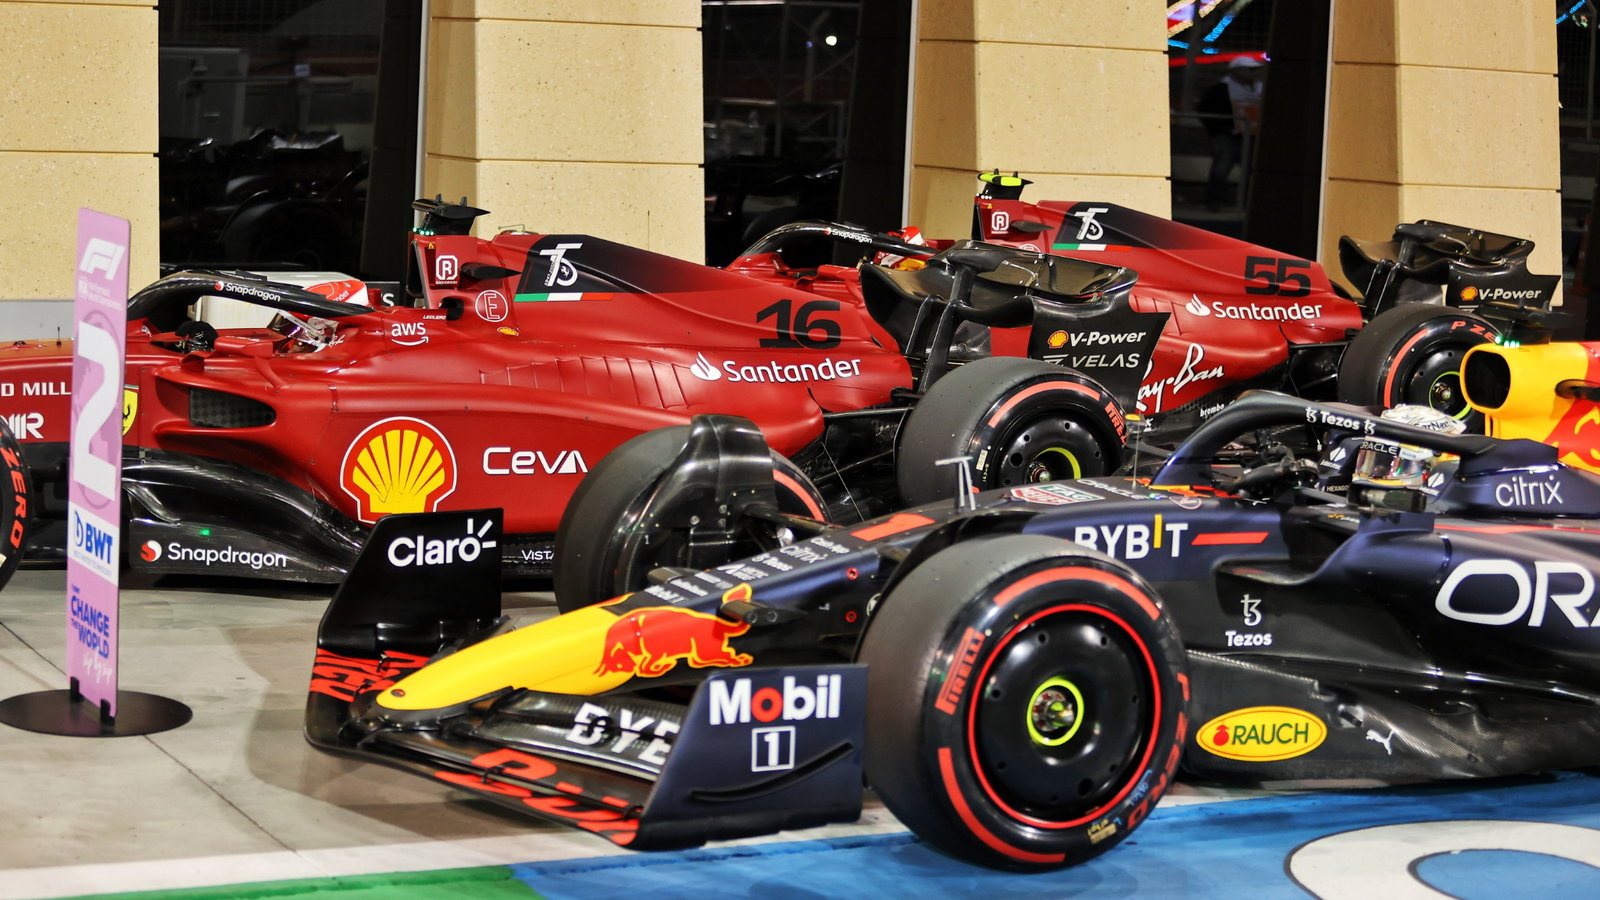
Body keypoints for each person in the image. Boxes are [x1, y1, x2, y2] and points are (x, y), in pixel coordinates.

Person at [1200, 56, 1265, 211]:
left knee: (1251, 171)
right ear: (1235, 70)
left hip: (1251, 136)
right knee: (1221, 169)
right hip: (1227, 136)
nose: (1252, 72)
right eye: (1248, 69)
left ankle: (1246, 204)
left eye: (1254, 69)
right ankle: (1215, 202)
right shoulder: (1221, 88)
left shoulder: (1260, 88)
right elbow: (1206, 109)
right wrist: (1220, 129)